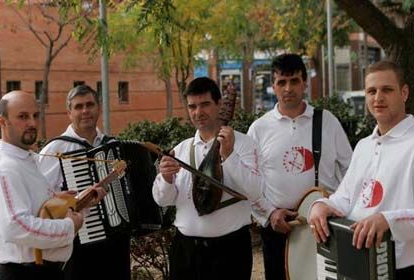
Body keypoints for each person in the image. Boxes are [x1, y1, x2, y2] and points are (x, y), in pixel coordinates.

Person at [247, 53, 353, 280]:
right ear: (273, 86)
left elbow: (351, 171)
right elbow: (249, 182)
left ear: (304, 83)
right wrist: (269, 214)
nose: (288, 88)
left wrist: (340, 209)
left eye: (294, 81)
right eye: (281, 82)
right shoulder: (259, 129)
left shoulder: (327, 121)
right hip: (278, 229)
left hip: (324, 228)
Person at [152, 77, 270, 280]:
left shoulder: (244, 144)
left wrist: (230, 156)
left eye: (205, 104)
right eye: (192, 106)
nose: (198, 112)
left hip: (230, 252)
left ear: (219, 104)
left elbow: (255, 191)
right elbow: (163, 200)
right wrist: (166, 178)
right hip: (186, 252)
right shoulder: (181, 149)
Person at [309, 60, 414, 277]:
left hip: (402, 267)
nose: (378, 98)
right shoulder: (364, 146)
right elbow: (346, 198)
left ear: (404, 93)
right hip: (357, 261)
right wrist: (320, 205)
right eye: (371, 91)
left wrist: (388, 219)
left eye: (387, 90)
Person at [38, 85, 131, 280]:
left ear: (98, 107)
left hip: (117, 244)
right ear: (69, 113)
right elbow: (41, 200)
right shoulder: (55, 149)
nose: (85, 111)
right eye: (78, 106)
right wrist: (75, 201)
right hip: (78, 244)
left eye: (90, 104)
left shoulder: (112, 145)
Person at [0, 91, 84, 280]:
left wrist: (59, 201)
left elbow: (35, 210)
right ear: (2, 122)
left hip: (43, 272)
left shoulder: (25, 159)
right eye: (23, 117)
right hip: (23, 274)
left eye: (35, 115)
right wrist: (68, 227)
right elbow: (15, 226)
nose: (32, 123)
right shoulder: (5, 167)